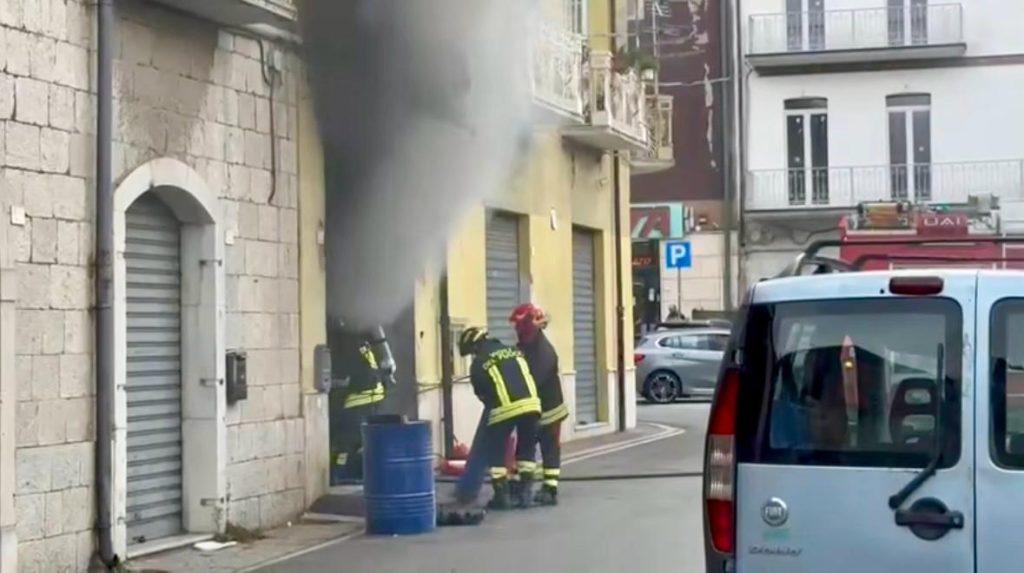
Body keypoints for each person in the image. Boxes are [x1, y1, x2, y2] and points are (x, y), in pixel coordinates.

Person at [452, 327, 541, 510]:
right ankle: (525, 496)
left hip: (503, 409)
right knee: (526, 452)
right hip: (532, 405)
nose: (473, 354)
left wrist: (494, 407)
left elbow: (482, 393)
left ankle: (502, 497)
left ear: (475, 346)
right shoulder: (515, 352)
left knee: (496, 453)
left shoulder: (479, 363)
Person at [509, 303, 568, 506]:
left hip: (548, 408)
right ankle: (523, 484)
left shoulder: (543, 351)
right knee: (526, 447)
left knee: (546, 448)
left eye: (521, 325)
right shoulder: (526, 347)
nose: (518, 330)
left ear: (532, 325)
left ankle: (548, 488)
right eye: (516, 326)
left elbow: (533, 379)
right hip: (533, 407)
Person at [328, 318, 387, 483]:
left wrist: (330, 383)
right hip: (376, 393)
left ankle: (338, 475)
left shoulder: (344, 347)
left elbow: (345, 380)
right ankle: (361, 472)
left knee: (345, 438)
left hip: (363, 395)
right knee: (360, 437)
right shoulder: (360, 341)